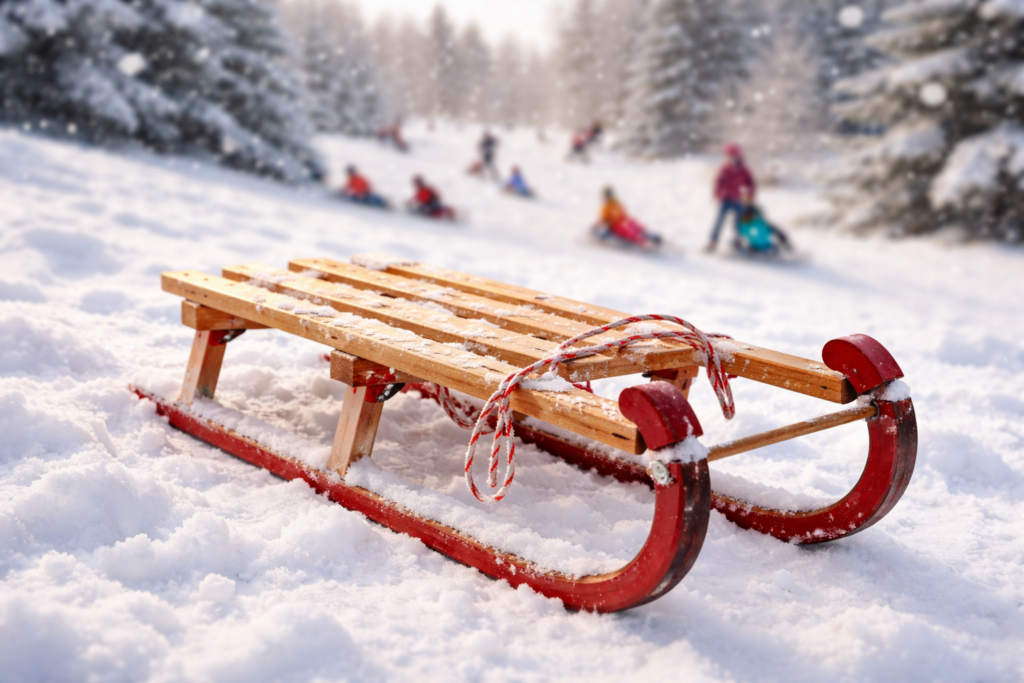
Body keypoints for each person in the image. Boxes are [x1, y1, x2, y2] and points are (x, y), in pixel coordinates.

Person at [706, 143, 756, 252]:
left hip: (739, 200)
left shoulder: (744, 169)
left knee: (738, 223)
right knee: (719, 221)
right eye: (729, 156)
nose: (731, 158)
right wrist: (717, 196)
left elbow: (751, 184)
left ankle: (738, 242)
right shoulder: (725, 168)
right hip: (726, 199)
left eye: (733, 155)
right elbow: (718, 183)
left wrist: (750, 196)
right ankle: (713, 242)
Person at [592, 186, 661, 249]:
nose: (608, 197)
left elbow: (623, 213)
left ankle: (647, 235)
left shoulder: (617, 202)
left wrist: (627, 220)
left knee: (633, 223)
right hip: (614, 226)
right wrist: (598, 225)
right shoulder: (606, 206)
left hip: (622, 221)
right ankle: (641, 241)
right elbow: (603, 218)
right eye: (607, 195)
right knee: (627, 229)